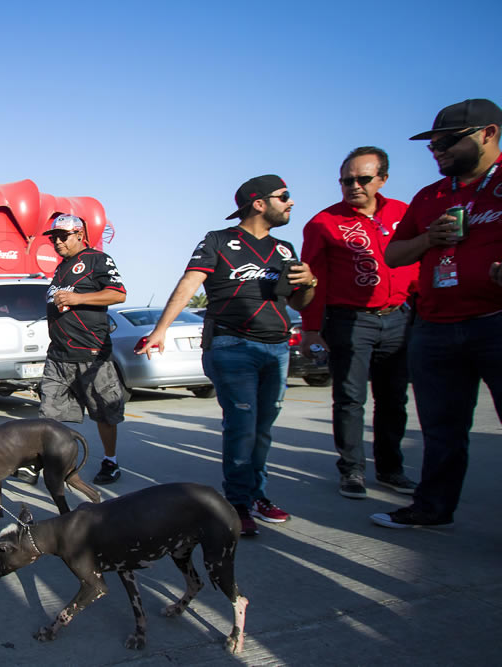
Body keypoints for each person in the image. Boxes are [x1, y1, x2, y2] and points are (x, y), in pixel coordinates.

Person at [139, 175, 318, 537]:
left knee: (262, 430)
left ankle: (256, 495)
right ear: (259, 203)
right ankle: (237, 504)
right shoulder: (218, 241)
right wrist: (160, 329)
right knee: (241, 425)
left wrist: (310, 283)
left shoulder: (284, 249)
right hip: (232, 345)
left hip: (278, 347)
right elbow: (188, 285)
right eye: (284, 196)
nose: (291, 202)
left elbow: (300, 302)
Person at [371, 98, 502, 529]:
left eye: (447, 141)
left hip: (495, 323)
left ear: (488, 133)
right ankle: (431, 509)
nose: (437, 151)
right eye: (431, 144)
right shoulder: (430, 196)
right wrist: (428, 239)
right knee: (441, 432)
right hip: (436, 328)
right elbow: (392, 253)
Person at [300, 147, 419, 500]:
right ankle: (352, 470)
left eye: (362, 179)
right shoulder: (323, 223)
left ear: (382, 178)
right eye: (346, 180)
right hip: (349, 320)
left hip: (400, 317)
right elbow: (312, 280)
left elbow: (420, 263)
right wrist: (310, 328)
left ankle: (391, 468)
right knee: (350, 398)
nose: (353, 186)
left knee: (394, 398)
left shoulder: (403, 213)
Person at [36, 214, 127, 485]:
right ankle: (47, 459)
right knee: (49, 413)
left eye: (63, 236)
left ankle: (110, 461)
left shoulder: (98, 259)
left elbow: (118, 293)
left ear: (79, 234)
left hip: (91, 352)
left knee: (104, 413)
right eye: (54, 237)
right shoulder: (61, 267)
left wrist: (78, 298)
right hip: (58, 355)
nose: (57, 241)